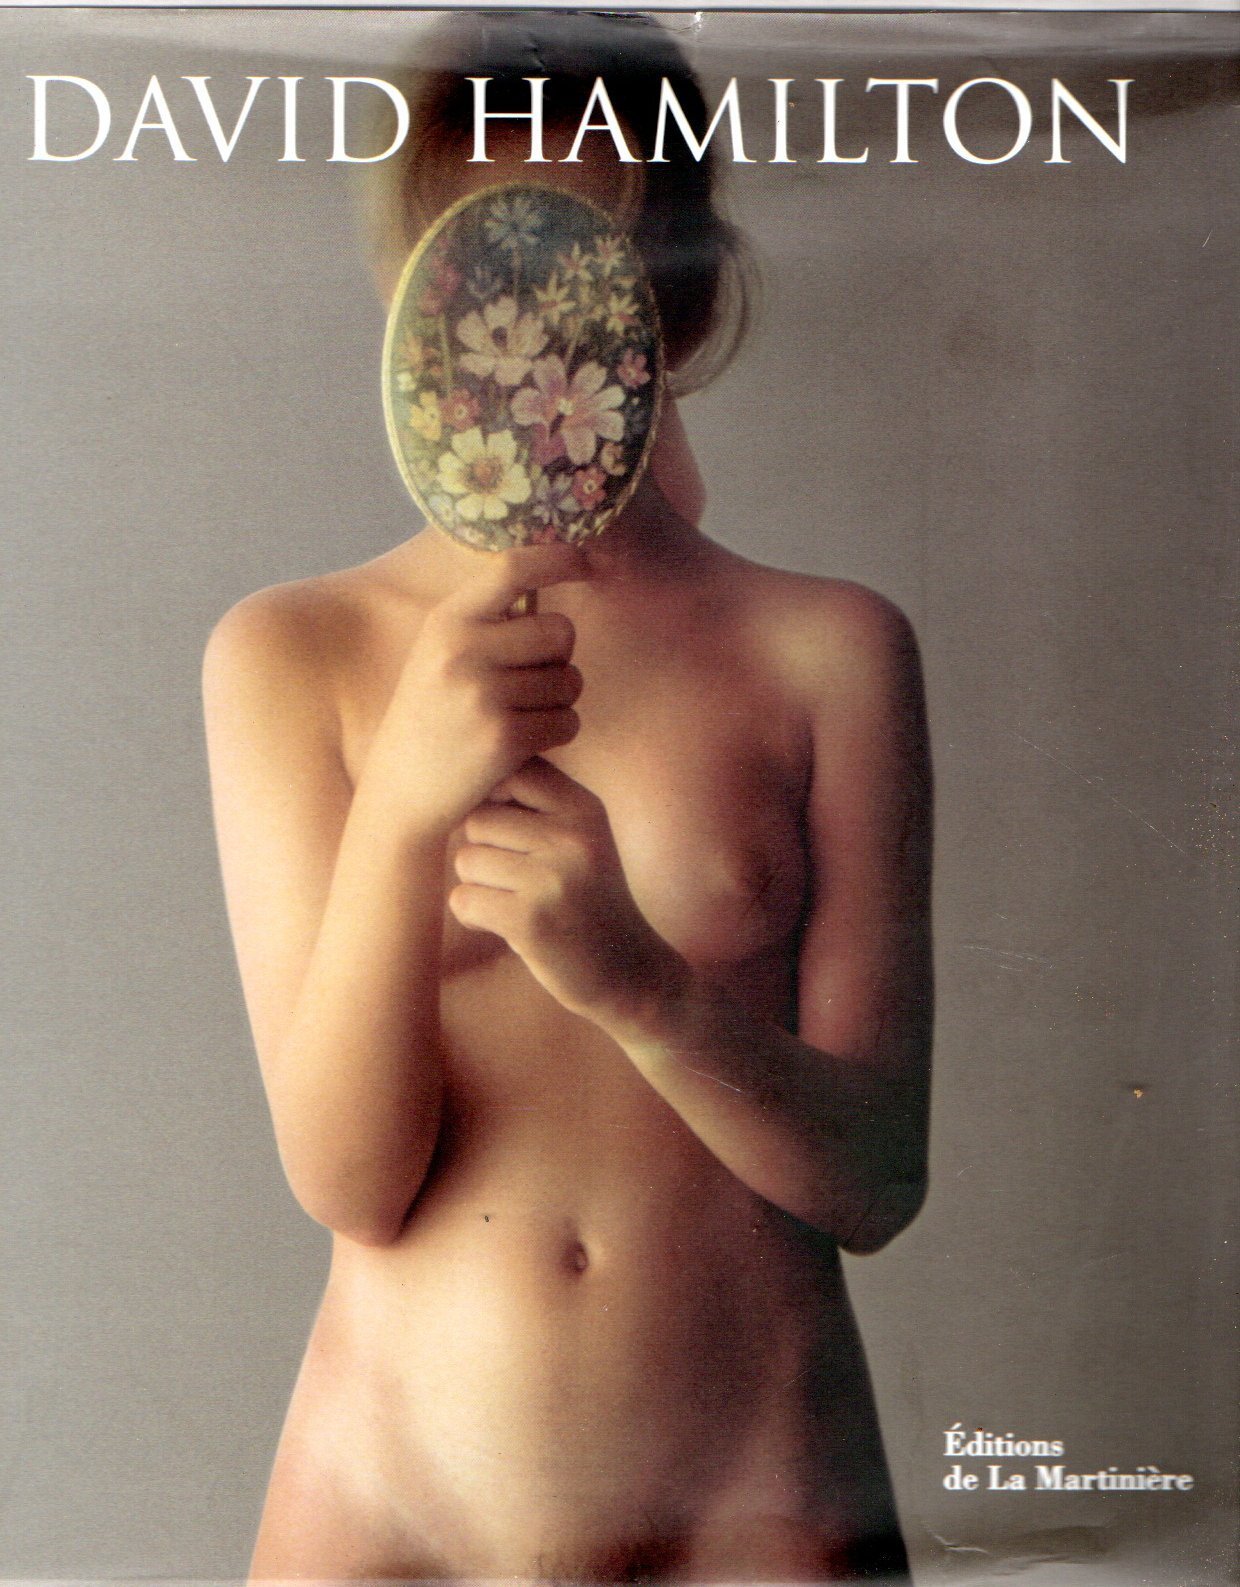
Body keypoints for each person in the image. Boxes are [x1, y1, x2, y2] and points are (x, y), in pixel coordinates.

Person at [202, 14, 933, 1584]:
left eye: (600, 246)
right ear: (414, 295)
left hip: (759, 1496)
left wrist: (643, 986)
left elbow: (875, 1181)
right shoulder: (291, 655)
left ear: (687, 286)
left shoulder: (828, 652)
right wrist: (405, 812)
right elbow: (347, 1182)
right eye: (487, 244)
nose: (542, 305)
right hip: (390, 1507)